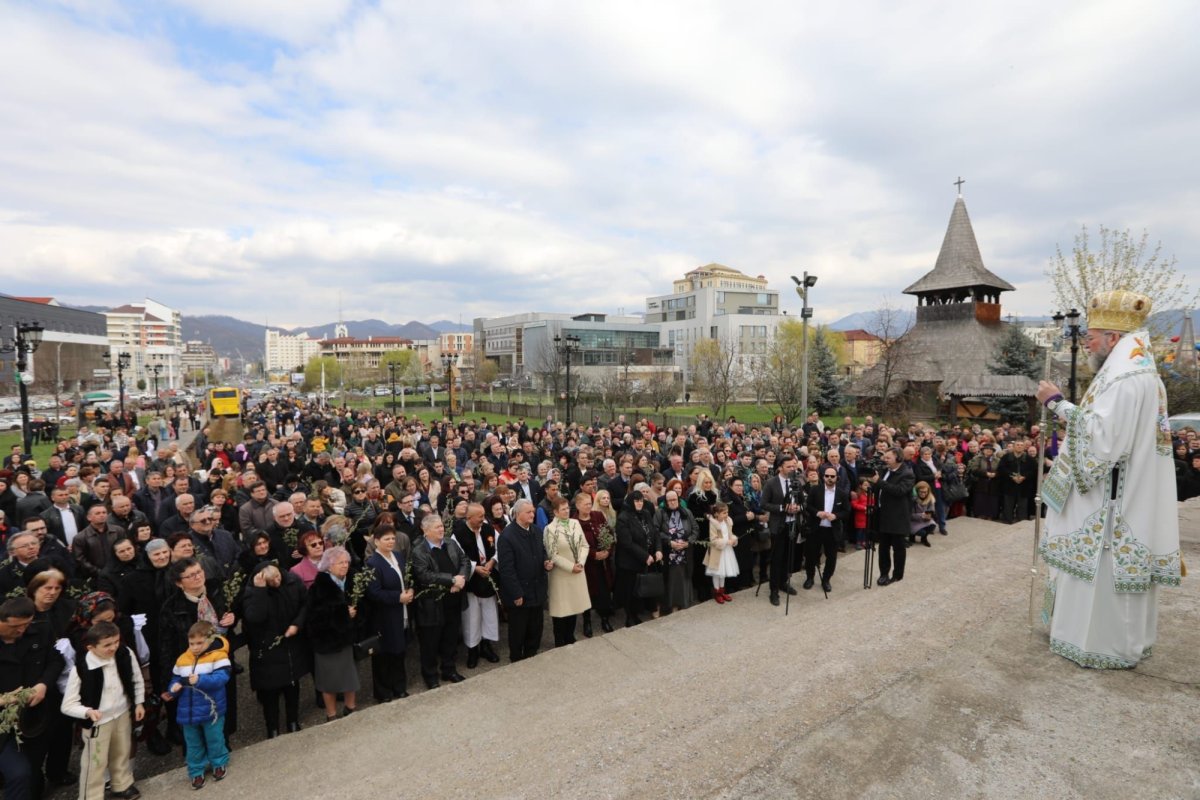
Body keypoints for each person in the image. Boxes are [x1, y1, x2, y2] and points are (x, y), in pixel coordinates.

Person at [1036, 290, 1182, 669]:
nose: (1086, 342)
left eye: (1092, 336)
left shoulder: (1125, 378)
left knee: (1102, 574)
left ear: (1113, 338)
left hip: (1112, 504)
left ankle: (1101, 646)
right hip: (1125, 491)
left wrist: (1056, 403)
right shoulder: (1134, 372)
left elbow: (1103, 441)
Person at [60, 620, 145, 800]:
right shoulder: (82, 668)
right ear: (91, 647)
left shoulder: (125, 653)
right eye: (107, 645)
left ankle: (122, 785)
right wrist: (86, 712)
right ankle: (91, 796)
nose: (113, 647)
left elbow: (136, 679)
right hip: (98, 722)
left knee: (122, 752)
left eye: (116, 642)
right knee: (95, 762)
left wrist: (139, 702)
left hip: (122, 712)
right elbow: (67, 705)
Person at [242, 562, 310, 737]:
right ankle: (272, 728)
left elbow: (305, 604)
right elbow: (254, 617)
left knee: (292, 685)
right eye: (271, 581)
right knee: (270, 690)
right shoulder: (252, 591)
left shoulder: (292, 581)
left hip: (290, 642)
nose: (277, 582)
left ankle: (293, 721)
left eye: (278, 577)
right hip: (267, 646)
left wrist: (297, 624)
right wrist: (260, 591)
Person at [166, 621, 231, 790]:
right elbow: (175, 679)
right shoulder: (182, 659)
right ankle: (196, 771)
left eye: (199, 643)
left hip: (211, 710)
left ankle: (219, 763)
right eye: (191, 643)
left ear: (210, 640)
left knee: (215, 739)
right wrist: (173, 688)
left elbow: (222, 678)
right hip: (188, 713)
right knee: (192, 743)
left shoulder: (219, 656)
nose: (195, 647)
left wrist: (200, 680)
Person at [410, 515, 471, 688]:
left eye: (441, 526)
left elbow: (465, 561)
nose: (441, 529)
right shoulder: (419, 550)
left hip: (453, 599)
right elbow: (424, 575)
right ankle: (430, 675)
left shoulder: (450, 543)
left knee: (450, 638)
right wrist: (451, 580)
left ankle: (449, 669)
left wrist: (461, 579)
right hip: (432, 603)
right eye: (437, 527)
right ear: (426, 530)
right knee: (430, 641)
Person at [306, 547, 359, 721]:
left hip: (347, 639)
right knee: (329, 681)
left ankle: (351, 707)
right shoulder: (318, 588)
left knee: (349, 675)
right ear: (329, 566)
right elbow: (315, 618)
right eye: (340, 563)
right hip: (327, 641)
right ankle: (331, 714)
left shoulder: (351, 581)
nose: (345, 565)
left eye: (346, 562)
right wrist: (344, 614)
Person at [495, 499, 550, 662]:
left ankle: (531, 655)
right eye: (528, 512)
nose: (532, 515)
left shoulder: (536, 530)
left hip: (537, 588)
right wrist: (516, 593)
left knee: (535, 627)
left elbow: (542, 551)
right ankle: (517, 659)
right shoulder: (507, 536)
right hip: (520, 593)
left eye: (533, 511)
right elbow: (507, 569)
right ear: (518, 514)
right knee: (518, 630)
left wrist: (545, 562)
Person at [364, 527, 413, 702]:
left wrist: (410, 589)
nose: (391, 541)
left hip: (401, 611)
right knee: (384, 654)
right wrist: (397, 597)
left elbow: (405, 579)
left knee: (399, 651)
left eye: (393, 538)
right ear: (376, 541)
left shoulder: (398, 556)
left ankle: (399, 687)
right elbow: (374, 592)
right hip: (385, 615)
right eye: (386, 539)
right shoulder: (372, 563)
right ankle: (383, 692)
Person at [450, 503, 500, 668]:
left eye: (484, 515)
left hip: (488, 579)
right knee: (472, 617)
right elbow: (456, 557)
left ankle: (486, 646)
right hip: (471, 582)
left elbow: (499, 547)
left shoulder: (488, 529)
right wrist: (474, 568)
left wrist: (492, 561)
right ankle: (473, 651)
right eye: (480, 516)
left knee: (489, 614)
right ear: (469, 517)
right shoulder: (458, 534)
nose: (483, 519)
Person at [543, 496, 590, 646]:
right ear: (555, 512)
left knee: (574, 604)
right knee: (561, 608)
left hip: (578, 571)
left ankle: (570, 635)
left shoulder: (575, 523)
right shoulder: (550, 529)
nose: (567, 511)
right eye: (563, 509)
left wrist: (580, 563)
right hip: (561, 575)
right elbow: (553, 554)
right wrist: (571, 567)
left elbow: (584, 545)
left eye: (568, 508)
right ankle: (559, 639)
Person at [613, 491, 662, 626]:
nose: (640, 503)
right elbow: (627, 543)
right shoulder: (623, 518)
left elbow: (655, 533)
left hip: (647, 558)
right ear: (630, 502)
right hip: (630, 561)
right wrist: (645, 555)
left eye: (641, 500)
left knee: (641, 587)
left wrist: (658, 549)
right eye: (636, 501)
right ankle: (630, 616)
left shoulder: (646, 514)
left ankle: (640, 611)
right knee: (631, 590)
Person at [572, 492, 614, 635]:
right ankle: (587, 621)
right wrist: (593, 554)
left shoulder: (598, 515)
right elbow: (575, 545)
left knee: (604, 592)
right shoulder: (574, 522)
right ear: (578, 505)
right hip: (586, 566)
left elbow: (609, 534)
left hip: (602, 564)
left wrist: (607, 550)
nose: (589, 506)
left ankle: (605, 619)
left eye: (590, 503)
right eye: (586, 504)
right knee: (587, 593)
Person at [762, 454, 801, 606]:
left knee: (788, 556)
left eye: (793, 466)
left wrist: (798, 507)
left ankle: (783, 582)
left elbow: (802, 501)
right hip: (778, 525)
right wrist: (782, 508)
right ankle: (773, 590)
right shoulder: (771, 483)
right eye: (788, 466)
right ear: (780, 467)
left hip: (792, 524)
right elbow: (764, 503)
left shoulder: (796, 481)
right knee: (777, 558)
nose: (792, 469)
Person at [871, 448, 914, 586]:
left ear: (898, 458)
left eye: (888, 458)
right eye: (885, 457)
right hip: (882, 515)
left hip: (898, 518)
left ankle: (897, 575)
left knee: (898, 548)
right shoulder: (884, 470)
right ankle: (884, 573)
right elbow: (878, 488)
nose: (885, 460)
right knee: (883, 548)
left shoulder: (907, 474)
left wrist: (879, 482)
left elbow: (899, 491)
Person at [805, 467, 850, 592]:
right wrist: (817, 513)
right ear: (823, 477)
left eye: (832, 476)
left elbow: (847, 511)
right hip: (816, 528)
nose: (829, 478)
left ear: (837, 478)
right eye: (827, 476)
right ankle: (810, 578)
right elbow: (808, 505)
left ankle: (826, 580)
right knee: (811, 555)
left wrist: (836, 516)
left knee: (831, 557)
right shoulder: (815, 490)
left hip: (832, 530)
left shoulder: (842, 493)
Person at [655, 490, 697, 613]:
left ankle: (685, 603)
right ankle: (672, 605)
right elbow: (655, 531)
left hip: (685, 551)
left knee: (685, 577)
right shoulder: (660, 513)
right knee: (672, 580)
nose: (673, 502)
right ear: (666, 502)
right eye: (670, 500)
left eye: (675, 499)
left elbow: (695, 529)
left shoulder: (687, 512)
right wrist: (669, 542)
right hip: (669, 552)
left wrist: (688, 542)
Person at [702, 503, 739, 604]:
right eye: (724, 513)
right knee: (716, 573)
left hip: (727, 550)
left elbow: (730, 534)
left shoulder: (728, 521)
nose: (726, 515)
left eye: (727, 512)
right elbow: (713, 539)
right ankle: (717, 593)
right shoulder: (713, 524)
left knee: (723, 573)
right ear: (716, 514)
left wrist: (733, 539)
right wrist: (726, 542)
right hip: (717, 552)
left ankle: (722, 592)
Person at [910, 481, 937, 547]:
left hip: (925, 520)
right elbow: (910, 515)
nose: (923, 494)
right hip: (914, 521)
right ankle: (911, 536)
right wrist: (921, 515)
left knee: (933, 525)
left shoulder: (931, 499)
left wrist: (930, 515)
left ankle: (924, 539)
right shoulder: (913, 500)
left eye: (925, 492)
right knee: (922, 532)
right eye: (921, 492)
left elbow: (932, 510)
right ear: (917, 491)